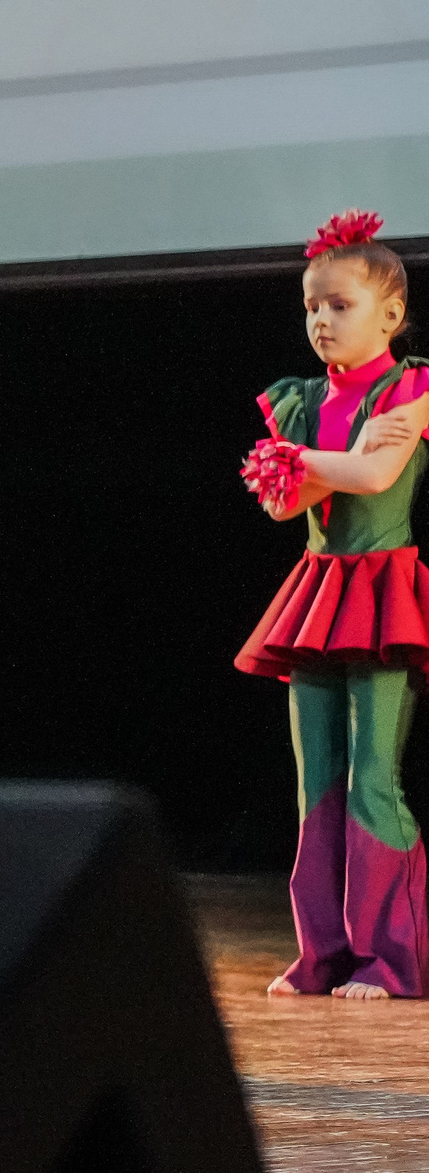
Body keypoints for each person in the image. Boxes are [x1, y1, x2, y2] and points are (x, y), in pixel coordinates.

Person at [234, 209, 429, 1000]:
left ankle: (390, 958)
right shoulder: (300, 399)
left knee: (372, 776)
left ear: (389, 313)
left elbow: (375, 478)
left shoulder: (412, 386)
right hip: (318, 593)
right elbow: (285, 508)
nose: (320, 319)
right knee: (317, 773)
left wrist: (302, 461)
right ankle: (323, 953)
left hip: (385, 593)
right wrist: (313, 462)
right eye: (311, 305)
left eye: (338, 304)